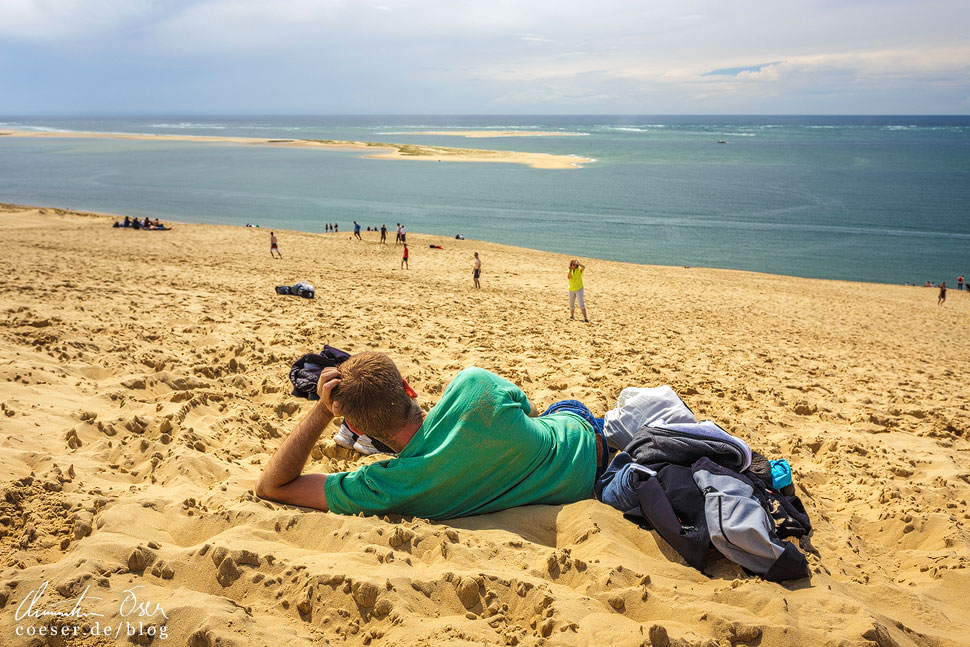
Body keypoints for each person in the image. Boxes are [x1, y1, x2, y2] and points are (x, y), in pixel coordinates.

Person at [255, 352, 605, 519]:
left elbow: (272, 486)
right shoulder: (473, 384)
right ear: (409, 388)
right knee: (554, 411)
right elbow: (528, 411)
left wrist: (320, 411)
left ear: (357, 429)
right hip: (587, 441)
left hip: (583, 486)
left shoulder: (385, 487)